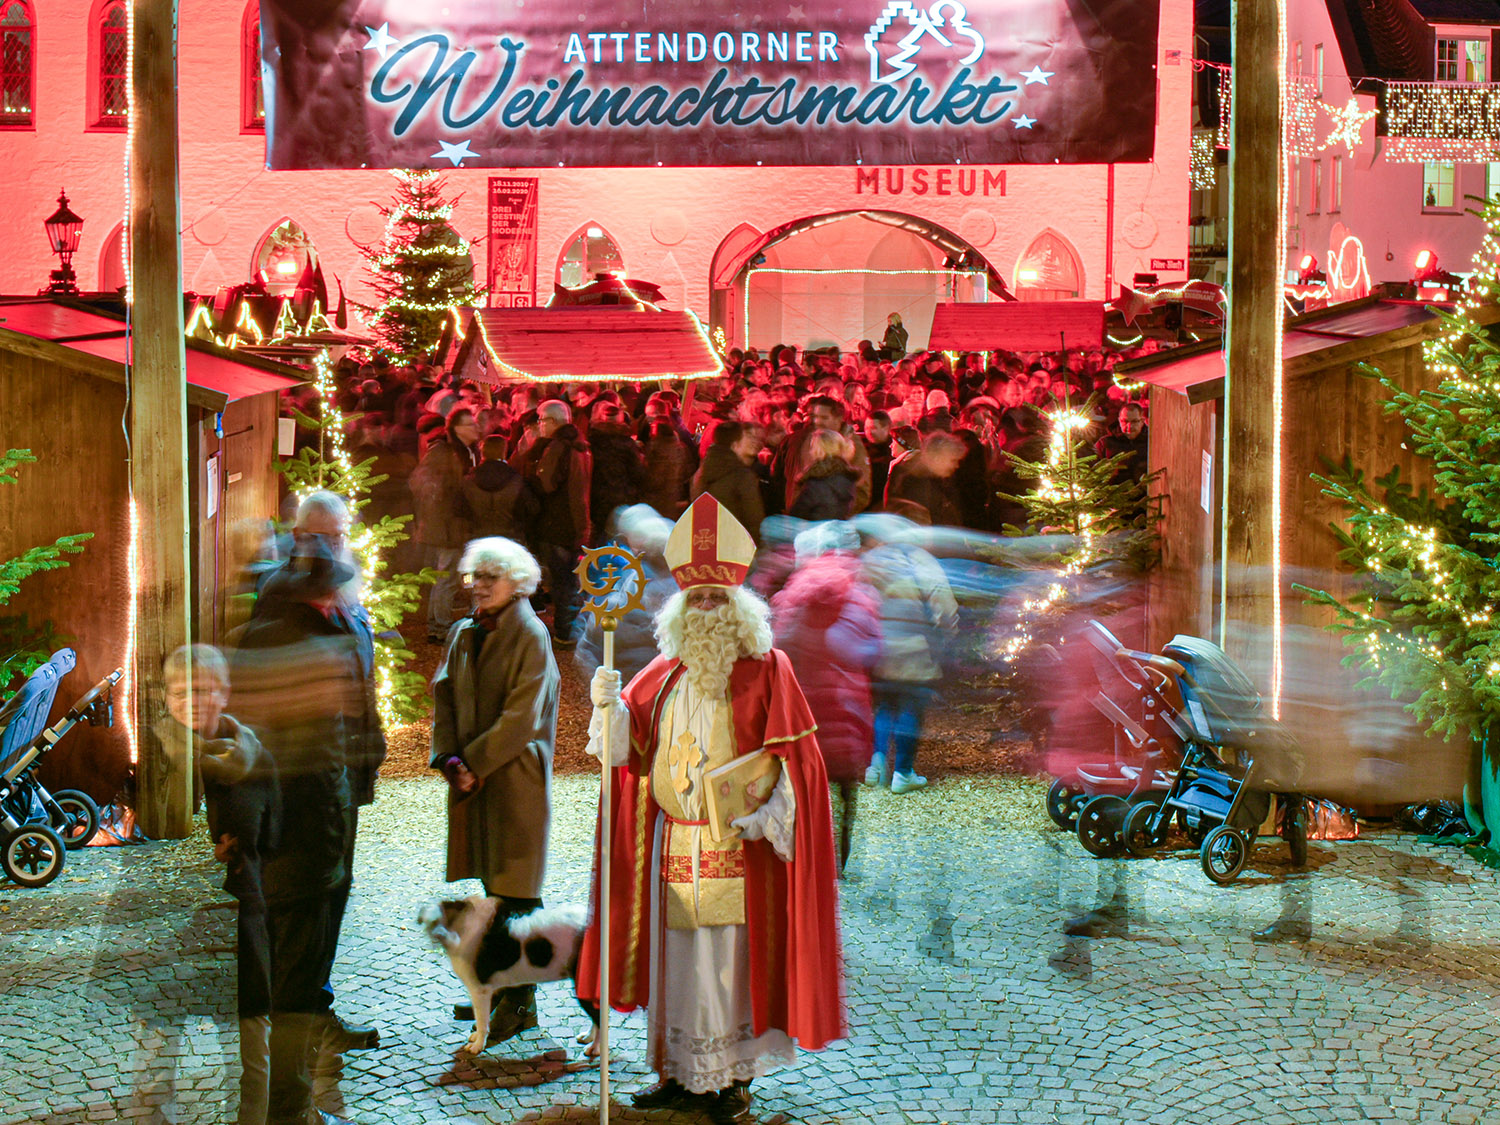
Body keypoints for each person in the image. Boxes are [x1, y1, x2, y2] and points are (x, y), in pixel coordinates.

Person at [577, 493, 844, 1125]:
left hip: (736, 845)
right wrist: (605, 703)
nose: (705, 609)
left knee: (727, 966)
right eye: (695, 599)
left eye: (716, 599)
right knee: (677, 964)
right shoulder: (661, 674)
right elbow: (621, 754)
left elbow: (797, 767)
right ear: (678, 609)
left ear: (739, 607)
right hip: (672, 842)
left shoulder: (768, 669)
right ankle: (677, 1073)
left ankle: (728, 1081)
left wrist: (765, 816)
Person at [232, 496, 382, 1125]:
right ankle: (286, 1111)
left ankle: (289, 1091)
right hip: (296, 835)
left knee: (305, 961)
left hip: (322, 820)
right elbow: (251, 750)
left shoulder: (326, 624)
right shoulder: (292, 641)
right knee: (290, 973)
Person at [430, 536, 560, 1044]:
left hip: (513, 781)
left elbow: (522, 716)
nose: (479, 586)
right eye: (474, 577)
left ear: (518, 583)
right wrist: (449, 759)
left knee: (518, 893)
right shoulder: (465, 632)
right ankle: (502, 990)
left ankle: (520, 1001)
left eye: (491, 577)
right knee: (493, 888)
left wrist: (474, 763)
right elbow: (443, 695)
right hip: (475, 778)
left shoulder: (531, 635)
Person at [164, 644, 279, 1125]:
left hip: (272, 891)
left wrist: (237, 848)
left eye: (202, 691)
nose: (190, 701)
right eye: (179, 692)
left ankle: (261, 1110)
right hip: (252, 883)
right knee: (255, 1005)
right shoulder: (212, 747)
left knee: (259, 1006)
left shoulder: (236, 755)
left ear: (224, 692)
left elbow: (266, 832)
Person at [770, 537, 881, 875]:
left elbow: (776, 650)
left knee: (801, 789)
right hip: (848, 709)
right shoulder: (861, 600)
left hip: (803, 712)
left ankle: (802, 857)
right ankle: (840, 861)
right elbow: (875, 652)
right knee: (847, 792)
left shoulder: (791, 599)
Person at [860, 513, 958, 794]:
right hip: (915, 647)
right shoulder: (921, 560)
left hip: (878, 648)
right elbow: (943, 602)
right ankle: (903, 773)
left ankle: (876, 765)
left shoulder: (872, 560)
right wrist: (948, 634)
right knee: (910, 708)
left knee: (884, 706)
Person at [518, 399, 592, 646]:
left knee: (561, 580)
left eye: (541, 419)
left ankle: (565, 631)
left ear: (553, 421)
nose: (539, 425)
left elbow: (547, 484)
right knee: (569, 579)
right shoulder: (581, 445)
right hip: (576, 521)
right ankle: (570, 627)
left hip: (557, 522)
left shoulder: (558, 447)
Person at [412, 408, 481, 643]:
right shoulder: (444, 452)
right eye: (470, 424)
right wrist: (445, 503)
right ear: (457, 428)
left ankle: (461, 620)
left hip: (462, 526)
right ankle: (438, 627)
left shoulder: (468, 451)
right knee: (447, 577)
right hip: (449, 528)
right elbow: (422, 484)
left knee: (467, 575)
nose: (476, 428)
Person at [691, 420, 766, 543]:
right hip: (735, 546)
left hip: (707, 542)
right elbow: (753, 520)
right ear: (735, 445)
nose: (752, 441)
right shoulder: (742, 476)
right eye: (746, 438)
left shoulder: (703, 470)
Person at [463, 435, 537, 542]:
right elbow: (532, 508)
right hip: (510, 539)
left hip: (477, 539)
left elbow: (459, 511)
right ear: (504, 451)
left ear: (482, 452)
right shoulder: (517, 480)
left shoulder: (468, 480)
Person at [883, 430, 965, 528]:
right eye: (953, 460)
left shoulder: (940, 479)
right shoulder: (915, 481)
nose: (956, 466)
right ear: (938, 458)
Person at [788, 429, 859, 522]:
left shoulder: (815, 482)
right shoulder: (847, 477)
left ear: (819, 451)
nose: (810, 452)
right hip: (837, 532)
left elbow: (797, 515)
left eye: (812, 447)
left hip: (814, 532)